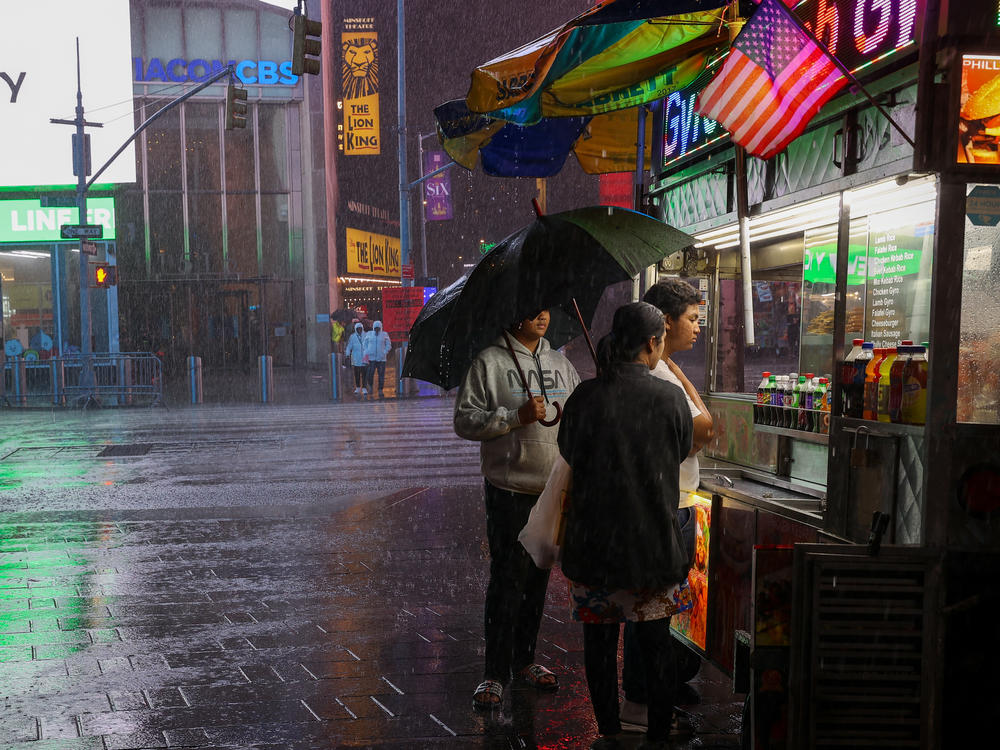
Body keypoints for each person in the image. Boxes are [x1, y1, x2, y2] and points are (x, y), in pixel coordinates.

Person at [557, 302, 694, 750]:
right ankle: (656, 735)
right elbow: (680, 450)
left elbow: (569, 451)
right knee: (655, 644)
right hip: (652, 545)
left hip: (595, 547)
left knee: (598, 644)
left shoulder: (584, 397)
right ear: (654, 343)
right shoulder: (670, 398)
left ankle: (610, 732)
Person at [453, 309, 581, 709]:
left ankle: (525, 660)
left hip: (553, 488)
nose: (541, 315)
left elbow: (578, 418)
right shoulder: (488, 362)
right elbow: (465, 420)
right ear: (512, 314)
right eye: (531, 308)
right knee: (507, 580)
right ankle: (494, 673)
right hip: (508, 489)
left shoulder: (562, 362)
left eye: (545, 308)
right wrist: (514, 417)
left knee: (538, 579)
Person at [618, 279, 716, 732]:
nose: (698, 328)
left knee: (652, 609)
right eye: (693, 320)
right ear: (663, 324)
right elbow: (704, 431)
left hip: (664, 502)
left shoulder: (665, 370)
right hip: (667, 504)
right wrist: (680, 379)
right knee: (652, 610)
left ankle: (648, 697)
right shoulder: (657, 377)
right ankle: (641, 704)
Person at [363, 320, 392, 397]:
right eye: (375, 328)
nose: (377, 329)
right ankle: (371, 386)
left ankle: (380, 389)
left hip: (381, 359)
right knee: (370, 374)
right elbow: (365, 343)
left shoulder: (384, 334)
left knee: (381, 375)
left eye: (378, 328)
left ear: (380, 327)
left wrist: (384, 352)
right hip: (371, 358)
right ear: (373, 327)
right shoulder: (369, 334)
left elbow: (388, 345)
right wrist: (367, 351)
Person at [344, 322, 368, 397]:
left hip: (364, 357)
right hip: (355, 357)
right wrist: (347, 354)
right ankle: (357, 387)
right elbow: (349, 346)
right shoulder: (353, 337)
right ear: (355, 329)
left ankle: (364, 387)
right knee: (356, 374)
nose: (359, 330)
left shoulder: (366, 335)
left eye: (360, 328)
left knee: (364, 374)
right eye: (358, 329)